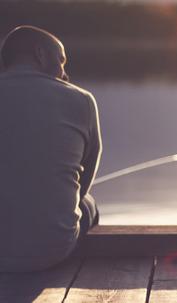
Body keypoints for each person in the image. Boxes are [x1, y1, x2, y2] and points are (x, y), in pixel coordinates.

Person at [0, 26, 101, 272]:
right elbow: (85, 175)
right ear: (40, 54)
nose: (64, 73)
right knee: (88, 203)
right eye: (61, 60)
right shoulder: (82, 100)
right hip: (53, 251)